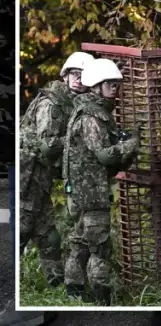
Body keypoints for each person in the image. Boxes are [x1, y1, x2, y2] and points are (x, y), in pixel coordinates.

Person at [62, 58, 139, 305]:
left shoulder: (94, 110)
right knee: (100, 247)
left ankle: (74, 293)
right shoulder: (92, 116)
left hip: (83, 190)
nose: (114, 89)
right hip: (90, 192)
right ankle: (102, 300)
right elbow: (104, 155)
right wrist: (131, 143)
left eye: (116, 84)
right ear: (96, 86)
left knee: (81, 241)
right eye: (110, 84)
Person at [19, 52, 94, 287]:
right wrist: (79, 138)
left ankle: (55, 285)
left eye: (84, 75)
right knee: (22, 228)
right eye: (74, 74)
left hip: (41, 175)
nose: (78, 79)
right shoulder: (53, 102)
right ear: (65, 75)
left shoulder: (77, 102)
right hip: (29, 172)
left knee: (48, 234)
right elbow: (49, 145)